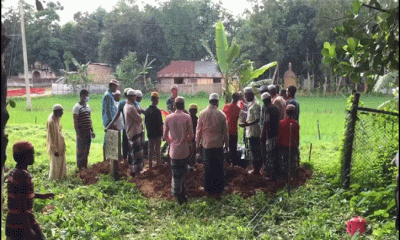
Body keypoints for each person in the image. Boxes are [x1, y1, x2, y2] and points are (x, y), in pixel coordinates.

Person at [6, 141, 55, 240]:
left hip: (12, 222)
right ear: (25, 157)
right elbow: (22, 207)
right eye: (31, 153)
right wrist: (28, 231)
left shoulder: (13, 173)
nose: (33, 156)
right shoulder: (24, 176)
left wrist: (42, 196)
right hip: (23, 224)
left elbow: (20, 196)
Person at [196, 93, 229, 195]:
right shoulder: (221, 115)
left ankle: (208, 188)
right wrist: (226, 146)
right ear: (217, 102)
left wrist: (197, 144)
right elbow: (225, 132)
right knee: (218, 167)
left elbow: (198, 131)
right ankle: (220, 188)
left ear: (209, 102)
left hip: (206, 145)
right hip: (218, 145)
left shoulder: (202, 114)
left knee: (207, 167)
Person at [163, 96, 194, 204]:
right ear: (184, 105)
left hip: (174, 151)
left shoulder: (169, 118)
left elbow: (165, 136)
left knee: (175, 173)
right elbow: (192, 135)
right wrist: (187, 141)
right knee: (184, 172)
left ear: (174, 106)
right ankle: (183, 193)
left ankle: (176, 194)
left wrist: (171, 142)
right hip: (184, 150)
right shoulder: (187, 117)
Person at [106, 88, 133, 162]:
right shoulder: (133, 103)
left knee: (125, 144)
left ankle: (125, 159)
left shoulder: (121, 103)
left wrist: (109, 126)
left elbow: (117, 115)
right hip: (131, 128)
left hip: (126, 127)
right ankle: (129, 159)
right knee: (130, 144)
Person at [239, 87, 262, 175]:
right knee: (254, 151)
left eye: (246, 95)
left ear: (250, 95)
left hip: (254, 132)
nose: (245, 97)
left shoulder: (255, 105)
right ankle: (256, 169)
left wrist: (246, 125)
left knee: (255, 151)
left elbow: (257, 119)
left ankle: (256, 170)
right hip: (251, 131)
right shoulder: (251, 104)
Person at [260, 92, 281, 181]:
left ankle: (272, 175)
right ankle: (277, 172)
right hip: (277, 133)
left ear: (265, 101)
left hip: (270, 134)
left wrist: (262, 134)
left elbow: (266, 122)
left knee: (270, 154)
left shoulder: (268, 109)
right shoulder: (276, 108)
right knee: (276, 153)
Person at [73, 89, 95, 171]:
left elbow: (89, 119)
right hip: (81, 131)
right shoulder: (77, 107)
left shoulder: (88, 106)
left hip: (88, 131)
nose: (87, 97)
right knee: (81, 149)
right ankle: (80, 166)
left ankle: (85, 165)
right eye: (86, 95)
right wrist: (77, 133)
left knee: (87, 149)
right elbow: (75, 121)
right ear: (82, 96)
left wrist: (92, 130)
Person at [124, 89, 144, 175]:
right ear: (131, 97)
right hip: (134, 132)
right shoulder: (131, 108)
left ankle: (132, 170)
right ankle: (137, 171)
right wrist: (139, 112)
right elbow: (139, 119)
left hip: (131, 132)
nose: (136, 98)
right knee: (136, 153)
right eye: (134, 96)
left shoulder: (126, 106)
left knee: (132, 153)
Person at [277, 104, 300, 176]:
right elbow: (297, 137)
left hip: (283, 146)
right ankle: (291, 175)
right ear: (293, 113)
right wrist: (297, 146)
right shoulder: (296, 123)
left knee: (284, 161)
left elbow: (279, 136)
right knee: (291, 161)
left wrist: (278, 145)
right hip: (292, 146)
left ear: (286, 112)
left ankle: (284, 175)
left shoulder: (281, 123)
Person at [144, 92, 163, 170]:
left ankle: (150, 165)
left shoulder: (147, 111)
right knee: (157, 149)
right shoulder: (158, 111)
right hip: (157, 133)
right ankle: (158, 163)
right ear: (157, 100)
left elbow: (145, 122)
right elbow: (160, 124)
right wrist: (162, 133)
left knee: (150, 149)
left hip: (150, 133)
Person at [47, 104, 67, 180]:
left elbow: (59, 129)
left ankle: (62, 177)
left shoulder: (57, 118)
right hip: (55, 146)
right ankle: (54, 180)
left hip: (60, 144)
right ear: (56, 112)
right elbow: (51, 137)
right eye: (61, 112)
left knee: (61, 162)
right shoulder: (51, 122)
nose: (62, 113)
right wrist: (54, 149)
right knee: (55, 164)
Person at [102, 79, 119, 161]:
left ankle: (109, 157)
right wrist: (112, 123)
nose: (117, 88)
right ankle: (105, 158)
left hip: (110, 121)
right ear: (112, 86)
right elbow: (108, 111)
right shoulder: (108, 96)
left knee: (110, 139)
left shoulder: (110, 95)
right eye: (116, 86)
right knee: (108, 140)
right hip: (109, 121)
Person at [223, 92, 241, 166]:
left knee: (225, 147)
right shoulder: (238, 109)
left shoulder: (226, 107)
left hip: (226, 131)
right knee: (233, 149)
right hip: (234, 131)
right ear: (238, 99)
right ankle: (233, 164)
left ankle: (226, 163)